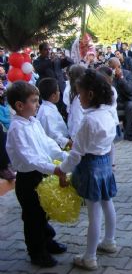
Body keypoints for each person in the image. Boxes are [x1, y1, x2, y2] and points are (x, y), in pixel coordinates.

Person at [57, 70, 117, 270]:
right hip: (105, 164)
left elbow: (76, 154)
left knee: (94, 214)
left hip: (91, 168)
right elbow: (111, 143)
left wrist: (61, 170)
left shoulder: (88, 120)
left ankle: (90, 256)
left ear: (90, 94)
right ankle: (109, 241)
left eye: (79, 93)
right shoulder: (108, 113)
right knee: (107, 203)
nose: (78, 98)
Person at [6, 81, 68, 267]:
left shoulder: (33, 122)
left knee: (44, 212)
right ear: (19, 105)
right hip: (28, 179)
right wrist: (55, 169)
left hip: (41, 174)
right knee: (33, 217)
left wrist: (64, 156)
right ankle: (37, 252)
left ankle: (47, 241)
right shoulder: (17, 129)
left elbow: (48, 143)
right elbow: (30, 158)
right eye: (34, 101)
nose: (38, 104)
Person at [36, 78, 71, 150]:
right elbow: (54, 135)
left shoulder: (49, 107)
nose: (59, 92)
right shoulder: (47, 113)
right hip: (57, 147)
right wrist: (69, 142)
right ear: (53, 96)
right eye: (58, 91)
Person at [108, 57, 132, 141]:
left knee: (130, 105)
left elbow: (129, 90)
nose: (116, 69)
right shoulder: (108, 75)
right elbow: (110, 91)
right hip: (112, 102)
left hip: (125, 100)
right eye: (113, 67)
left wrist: (121, 77)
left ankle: (128, 134)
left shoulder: (127, 73)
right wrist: (112, 78)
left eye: (118, 67)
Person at [65, 65, 85, 141]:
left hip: (81, 139)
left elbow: (77, 121)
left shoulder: (79, 99)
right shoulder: (75, 95)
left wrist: (74, 139)